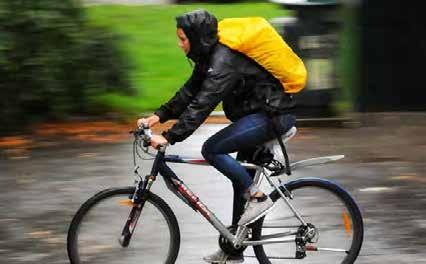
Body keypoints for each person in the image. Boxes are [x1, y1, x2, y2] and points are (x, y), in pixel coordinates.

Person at [138, 9, 297, 263]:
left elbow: (204, 102)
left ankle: (258, 197)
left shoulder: (224, 60)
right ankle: (234, 250)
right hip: (256, 116)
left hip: (272, 117)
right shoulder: (209, 57)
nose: (179, 45)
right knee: (240, 179)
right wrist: (157, 116)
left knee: (212, 149)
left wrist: (169, 136)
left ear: (197, 38)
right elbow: (190, 91)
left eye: (182, 39)